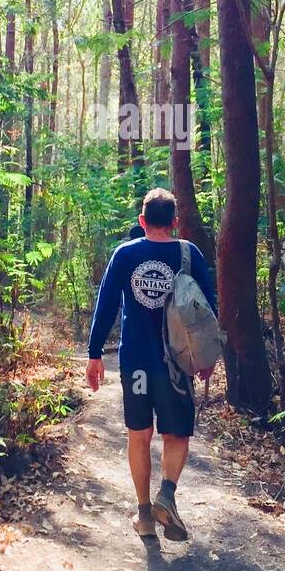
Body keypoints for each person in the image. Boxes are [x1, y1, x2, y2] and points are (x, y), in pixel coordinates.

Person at [85, 188, 216, 541]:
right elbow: (208, 311)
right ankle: (166, 496)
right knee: (177, 434)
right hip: (176, 365)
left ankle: (144, 515)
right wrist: (207, 359)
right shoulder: (190, 254)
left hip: (136, 363)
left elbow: (107, 304)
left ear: (142, 221)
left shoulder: (125, 254)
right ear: (175, 222)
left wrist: (94, 354)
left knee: (138, 435)